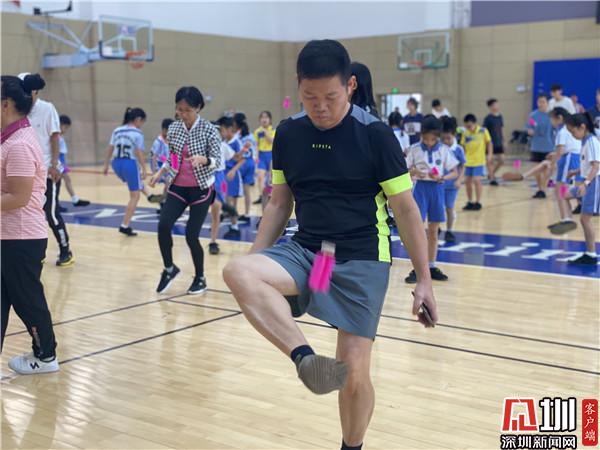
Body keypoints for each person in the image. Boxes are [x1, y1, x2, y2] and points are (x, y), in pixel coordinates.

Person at [223, 39, 438, 450]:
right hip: (313, 256)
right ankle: (306, 361)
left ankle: (350, 446)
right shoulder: (289, 134)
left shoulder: (374, 135)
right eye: (310, 97)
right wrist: (256, 269)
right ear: (298, 86)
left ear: (351, 85)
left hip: (361, 261)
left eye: (331, 97)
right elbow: (279, 203)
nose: (320, 107)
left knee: (353, 373)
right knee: (239, 271)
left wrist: (424, 279)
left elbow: (407, 210)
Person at [1, 75, 59, 374]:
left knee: (27, 300)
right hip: (7, 235)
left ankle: (46, 356)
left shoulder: (20, 144)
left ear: (6, 104)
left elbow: (19, 197)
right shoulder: (9, 138)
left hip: (21, 238)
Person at [149, 86, 221, 294]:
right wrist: (161, 172)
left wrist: (204, 159)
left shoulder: (209, 129)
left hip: (201, 189)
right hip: (178, 186)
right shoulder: (174, 128)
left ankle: (200, 278)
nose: (182, 114)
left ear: (198, 108)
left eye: (187, 110)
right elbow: (173, 156)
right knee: (163, 225)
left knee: (191, 235)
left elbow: (218, 161)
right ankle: (169, 269)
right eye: (179, 109)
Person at [18, 72, 74, 266]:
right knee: (25, 214)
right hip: (25, 173)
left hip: (47, 173)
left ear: (35, 92)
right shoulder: (18, 110)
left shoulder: (47, 108)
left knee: (51, 213)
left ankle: (65, 250)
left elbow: (54, 136)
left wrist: (54, 165)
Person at [404, 115, 458, 283]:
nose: (428, 142)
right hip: (420, 189)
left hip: (437, 190)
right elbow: (403, 170)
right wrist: (414, 172)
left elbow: (455, 172)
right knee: (418, 232)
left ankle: (432, 266)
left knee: (433, 232)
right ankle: (417, 268)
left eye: (432, 139)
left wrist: (443, 177)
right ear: (421, 135)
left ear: (438, 137)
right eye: (426, 139)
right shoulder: (414, 149)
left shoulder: (444, 150)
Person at [102, 107, 158, 236]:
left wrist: (106, 164)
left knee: (134, 181)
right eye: (142, 122)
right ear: (138, 119)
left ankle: (149, 195)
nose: (141, 125)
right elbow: (139, 152)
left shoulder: (117, 130)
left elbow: (110, 148)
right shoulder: (137, 133)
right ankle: (125, 225)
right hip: (129, 163)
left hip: (116, 163)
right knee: (134, 196)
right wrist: (144, 168)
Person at [555, 113, 600, 265]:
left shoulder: (592, 141)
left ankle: (591, 254)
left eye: (573, 132)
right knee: (564, 195)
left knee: (585, 219)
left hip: (593, 182)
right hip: (588, 181)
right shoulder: (584, 141)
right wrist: (575, 172)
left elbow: (596, 166)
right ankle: (567, 220)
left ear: (582, 127)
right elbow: (588, 164)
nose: (572, 135)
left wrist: (585, 183)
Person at [210, 118, 243, 255]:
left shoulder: (223, 146)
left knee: (217, 208)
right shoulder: (202, 146)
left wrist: (245, 150)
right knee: (214, 205)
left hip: (220, 178)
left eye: (217, 132)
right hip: (205, 177)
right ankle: (225, 207)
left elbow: (238, 158)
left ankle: (213, 242)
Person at [546, 108, 582, 234]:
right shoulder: (572, 128)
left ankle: (566, 218)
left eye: (552, 118)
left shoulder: (562, 131)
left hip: (568, 159)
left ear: (560, 118)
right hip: (576, 158)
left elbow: (561, 151)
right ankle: (567, 218)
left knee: (560, 190)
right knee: (565, 190)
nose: (551, 121)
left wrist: (552, 165)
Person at [221, 116, 248, 239]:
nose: (221, 133)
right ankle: (228, 219)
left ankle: (234, 226)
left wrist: (233, 170)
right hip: (223, 174)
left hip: (233, 175)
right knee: (225, 200)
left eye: (222, 130)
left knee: (231, 200)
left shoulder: (236, 142)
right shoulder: (224, 142)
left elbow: (242, 159)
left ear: (229, 129)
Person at [440, 116, 466, 243]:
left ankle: (449, 230)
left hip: (451, 185)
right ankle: (437, 227)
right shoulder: (439, 147)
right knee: (437, 208)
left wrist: (459, 180)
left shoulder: (458, 149)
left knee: (449, 208)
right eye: (443, 138)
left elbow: (462, 166)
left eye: (448, 138)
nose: (446, 141)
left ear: (454, 135)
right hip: (439, 184)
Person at [460, 113, 492, 211]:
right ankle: (470, 201)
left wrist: (489, 154)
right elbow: (463, 146)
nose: (468, 128)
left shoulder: (483, 131)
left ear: (475, 123)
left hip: (479, 161)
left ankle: (478, 202)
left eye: (470, 126)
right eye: (466, 126)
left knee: (476, 180)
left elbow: (489, 143)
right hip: (468, 161)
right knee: (467, 181)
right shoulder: (465, 133)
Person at [57, 115, 90, 209]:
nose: (66, 130)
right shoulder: (56, 137)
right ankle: (73, 199)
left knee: (61, 182)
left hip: (61, 161)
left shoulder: (60, 136)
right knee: (61, 181)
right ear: (60, 124)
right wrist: (60, 164)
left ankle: (66, 201)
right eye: (65, 127)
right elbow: (57, 152)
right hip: (58, 162)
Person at [526, 93, 555, 198]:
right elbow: (529, 127)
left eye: (543, 102)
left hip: (549, 147)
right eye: (539, 102)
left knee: (547, 170)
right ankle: (540, 189)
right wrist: (530, 131)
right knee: (537, 170)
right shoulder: (532, 116)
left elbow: (555, 131)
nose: (541, 104)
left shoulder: (552, 116)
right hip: (536, 146)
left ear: (547, 103)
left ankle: (543, 188)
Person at [233, 112, 256, 222]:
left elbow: (237, 152)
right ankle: (247, 214)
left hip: (241, 163)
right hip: (251, 163)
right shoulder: (251, 135)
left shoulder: (236, 136)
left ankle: (233, 213)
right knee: (247, 191)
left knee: (234, 190)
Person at [149, 118, 175, 213]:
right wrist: (154, 172)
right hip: (160, 167)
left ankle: (163, 202)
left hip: (168, 166)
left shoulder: (170, 140)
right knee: (169, 184)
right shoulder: (158, 142)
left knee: (169, 185)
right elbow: (153, 157)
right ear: (164, 130)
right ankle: (163, 202)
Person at [253, 111, 275, 204]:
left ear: (270, 120)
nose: (264, 119)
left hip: (271, 155)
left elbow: (272, 141)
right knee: (260, 177)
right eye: (262, 117)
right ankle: (262, 196)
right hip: (261, 155)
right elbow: (256, 145)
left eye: (266, 117)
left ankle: (270, 195)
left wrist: (265, 132)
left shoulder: (273, 130)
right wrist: (256, 156)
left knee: (270, 178)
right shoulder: (257, 131)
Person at [483, 98, 504, 186]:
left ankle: (491, 173)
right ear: (490, 107)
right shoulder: (488, 118)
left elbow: (501, 129)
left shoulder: (500, 117)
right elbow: (484, 131)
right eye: (495, 105)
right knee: (489, 160)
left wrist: (503, 140)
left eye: (497, 104)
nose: (497, 106)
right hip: (490, 142)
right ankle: (492, 178)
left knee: (502, 160)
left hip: (498, 142)